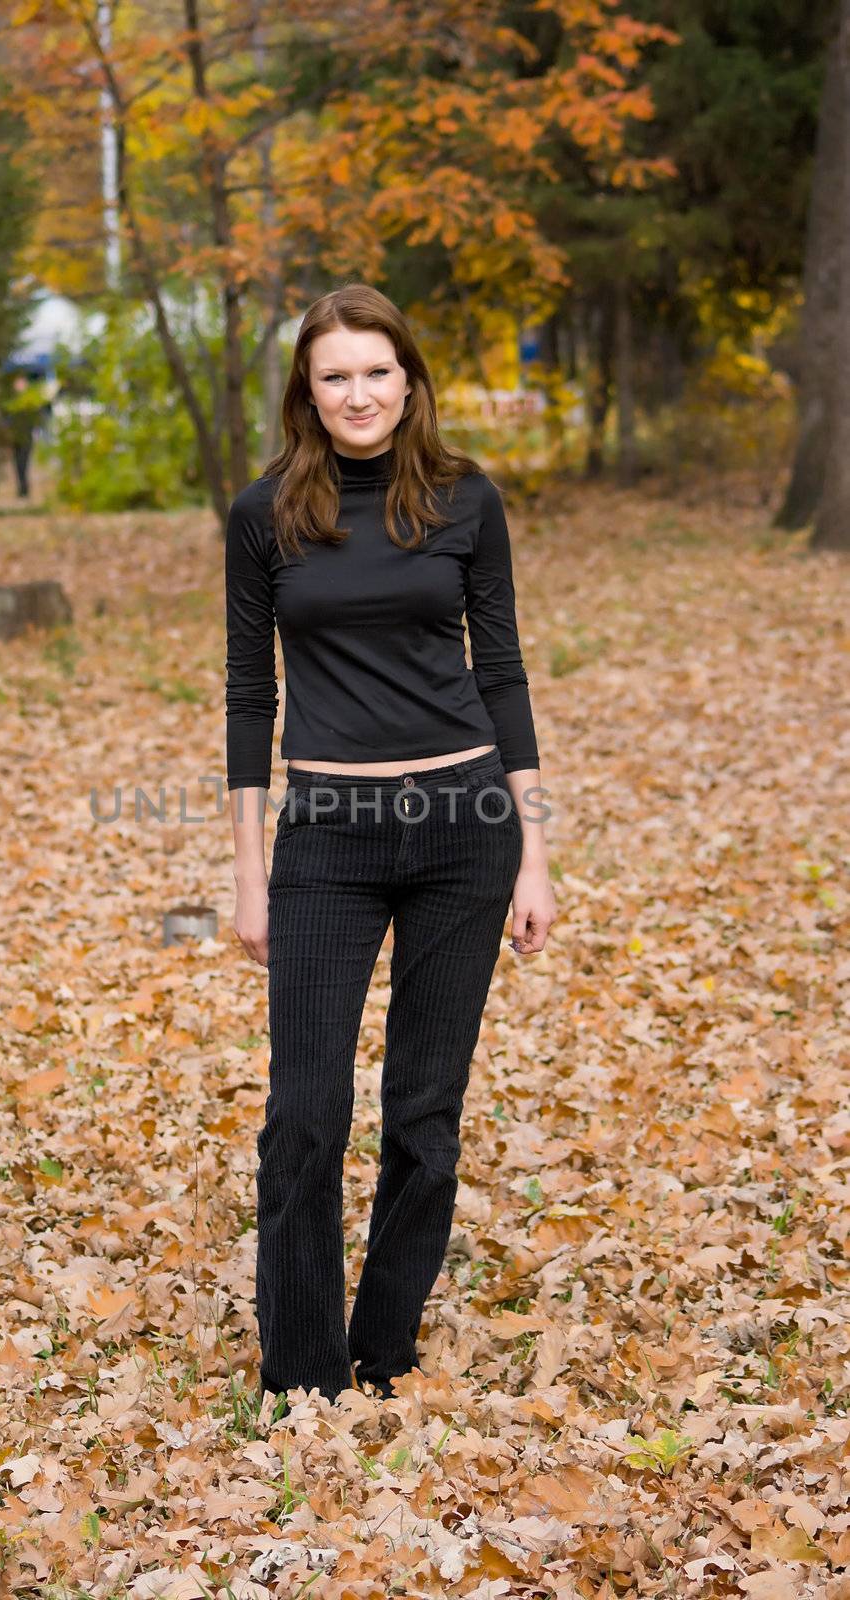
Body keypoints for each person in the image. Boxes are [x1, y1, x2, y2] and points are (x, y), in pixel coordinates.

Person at [224, 282, 557, 1411]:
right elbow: (245, 693)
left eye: (376, 371)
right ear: (305, 394)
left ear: (407, 380)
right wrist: (245, 870)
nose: (357, 393)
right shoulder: (263, 513)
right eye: (333, 375)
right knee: (304, 1112)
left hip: (464, 826)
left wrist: (535, 851)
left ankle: (383, 1344)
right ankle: (301, 1369)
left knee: (423, 1108)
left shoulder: (465, 499)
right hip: (324, 835)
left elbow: (501, 671)